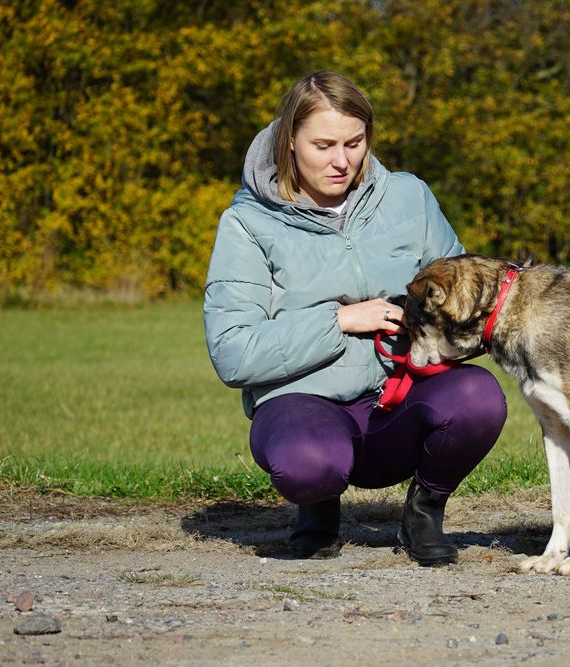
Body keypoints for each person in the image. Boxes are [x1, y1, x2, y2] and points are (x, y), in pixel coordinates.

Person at [203, 71, 507, 566]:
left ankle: (424, 512)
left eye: (354, 143)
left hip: (400, 400)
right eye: (323, 145)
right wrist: (340, 320)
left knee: (479, 397)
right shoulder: (247, 223)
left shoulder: (410, 197)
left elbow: (464, 298)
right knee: (308, 464)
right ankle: (317, 508)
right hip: (302, 404)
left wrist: (444, 322)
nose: (341, 161)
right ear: (289, 140)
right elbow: (233, 352)